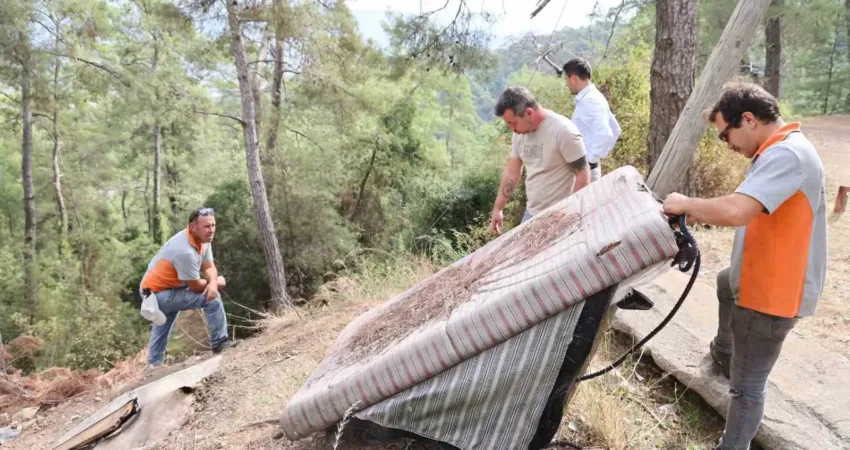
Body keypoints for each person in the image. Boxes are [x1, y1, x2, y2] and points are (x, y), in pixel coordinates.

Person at [662, 82, 827, 450]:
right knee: (725, 282)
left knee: (747, 389)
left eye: (726, 135)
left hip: (769, 296)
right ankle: (724, 353)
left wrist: (686, 203)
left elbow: (738, 210)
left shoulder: (786, 156)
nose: (728, 145)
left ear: (749, 119)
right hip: (759, 280)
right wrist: (698, 214)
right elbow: (749, 209)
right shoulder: (782, 148)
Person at [140, 207, 236, 367]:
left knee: (163, 324)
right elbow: (195, 287)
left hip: (161, 289)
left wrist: (213, 282)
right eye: (207, 226)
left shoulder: (203, 239)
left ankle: (153, 365)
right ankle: (220, 343)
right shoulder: (185, 252)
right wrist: (216, 283)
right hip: (155, 295)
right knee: (212, 299)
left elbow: (209, 267)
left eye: (213, 225)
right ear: (193, 227)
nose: (211, 230)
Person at [489, 86, 590, 233]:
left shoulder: (563, 131)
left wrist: (571, 215)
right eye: (509, 124)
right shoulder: (519, 133)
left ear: (529, 113)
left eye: (513, 123)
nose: (512, 129)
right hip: (531, 213)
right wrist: (498, 208)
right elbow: (512, 172)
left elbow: (583, 175)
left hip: (560, 215)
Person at [563, 58, 621, 182]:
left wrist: (589, 162)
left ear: (573, 78)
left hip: (586, 172)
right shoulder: (596, 97)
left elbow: (606, 134)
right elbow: (616, 129)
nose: (567, 85)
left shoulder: (589, 101)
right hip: (589, 170)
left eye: (566, 80)